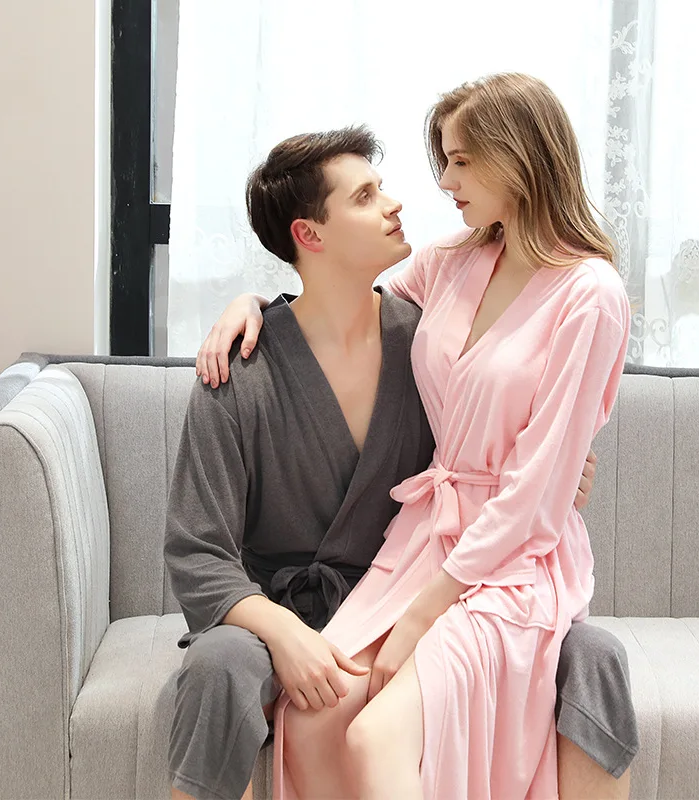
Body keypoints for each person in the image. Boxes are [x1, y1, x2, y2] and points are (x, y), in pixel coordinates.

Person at [194, 77, 637, 800]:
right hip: (421, 541)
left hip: (510, 565)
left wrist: (425, 615)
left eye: (461, 161)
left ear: (516, 157)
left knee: (374, 734)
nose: (444, 182)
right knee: (316, 715)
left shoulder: (591, 295)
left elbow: (537, 494)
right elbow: (338, 308)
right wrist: (251, 304)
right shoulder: (453, 262)